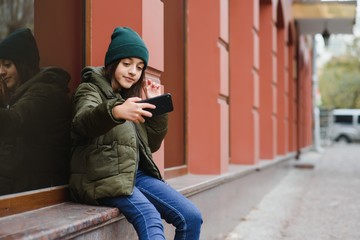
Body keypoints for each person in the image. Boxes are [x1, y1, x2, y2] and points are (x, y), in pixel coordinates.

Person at [69, 27, 202, 240]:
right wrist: (115, 111)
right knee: (150, 218)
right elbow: (82, 122)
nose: (133, 72)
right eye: (127, 63)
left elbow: (150, 146)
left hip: (134, 175)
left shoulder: (128, 98)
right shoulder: (89, 89)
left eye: (139, 67)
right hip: (103, 177)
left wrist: (157, 111)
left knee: (191, 216)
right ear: (113, 62)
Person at [0, 28, 71, 195]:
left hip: (40, 190)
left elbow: (13, 122)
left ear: (24, 65)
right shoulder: (23, 93)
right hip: (24, 185)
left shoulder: (45, 92)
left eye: (7, 65)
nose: (1, 71)